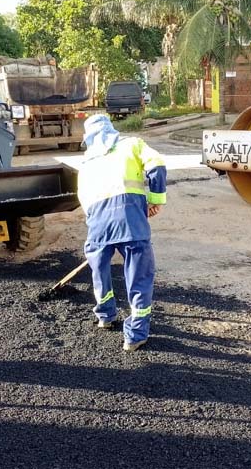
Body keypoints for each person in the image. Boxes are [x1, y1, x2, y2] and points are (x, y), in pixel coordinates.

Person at [77, 114, 167, 352]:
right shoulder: (132, 144)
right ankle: (135, 335)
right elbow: (156, 165)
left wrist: (98, 225)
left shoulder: (86, 164)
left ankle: (105, 316)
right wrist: (156, 199)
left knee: (100, 272)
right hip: (130, 221)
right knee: (139, 277)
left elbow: (83, 200)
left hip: (97, 222)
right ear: (111, 130)